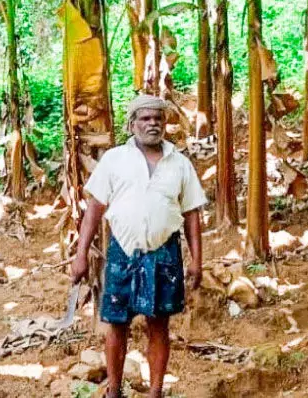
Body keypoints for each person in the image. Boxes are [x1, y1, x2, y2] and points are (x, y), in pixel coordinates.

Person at [70, 94, 207, 398]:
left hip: (165, 253)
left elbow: (192, 215)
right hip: (123, 252)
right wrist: (80, 254)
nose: (152, 124)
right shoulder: (114, 159)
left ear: (165, 123)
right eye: (145, 118)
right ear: (132, 124)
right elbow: (94, 209)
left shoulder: (180, 164)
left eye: (158, 118)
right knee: (117, 323)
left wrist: (198, 261)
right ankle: (114, 390)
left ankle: (156, 392)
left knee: (159, 325)